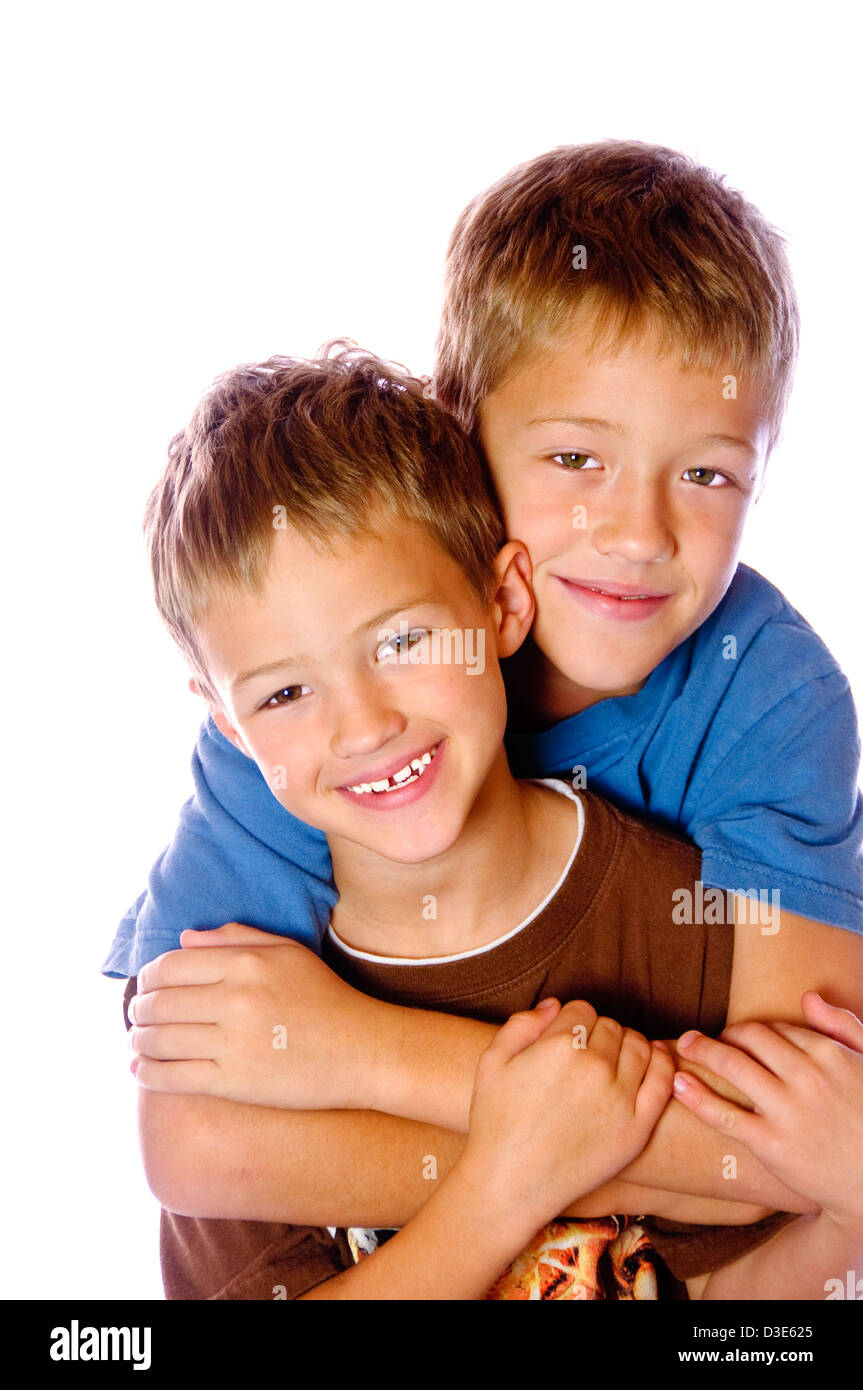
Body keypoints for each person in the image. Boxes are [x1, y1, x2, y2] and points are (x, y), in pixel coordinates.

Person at [114, 142, 863, 1294]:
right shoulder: (305, 721)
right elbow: (195, 1146)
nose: (636, 534)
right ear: (456, 426)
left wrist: (361, 1052)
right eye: (574, 457)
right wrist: (525, 1150)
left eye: (707, 475)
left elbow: (783, 1142)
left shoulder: (764, 691)